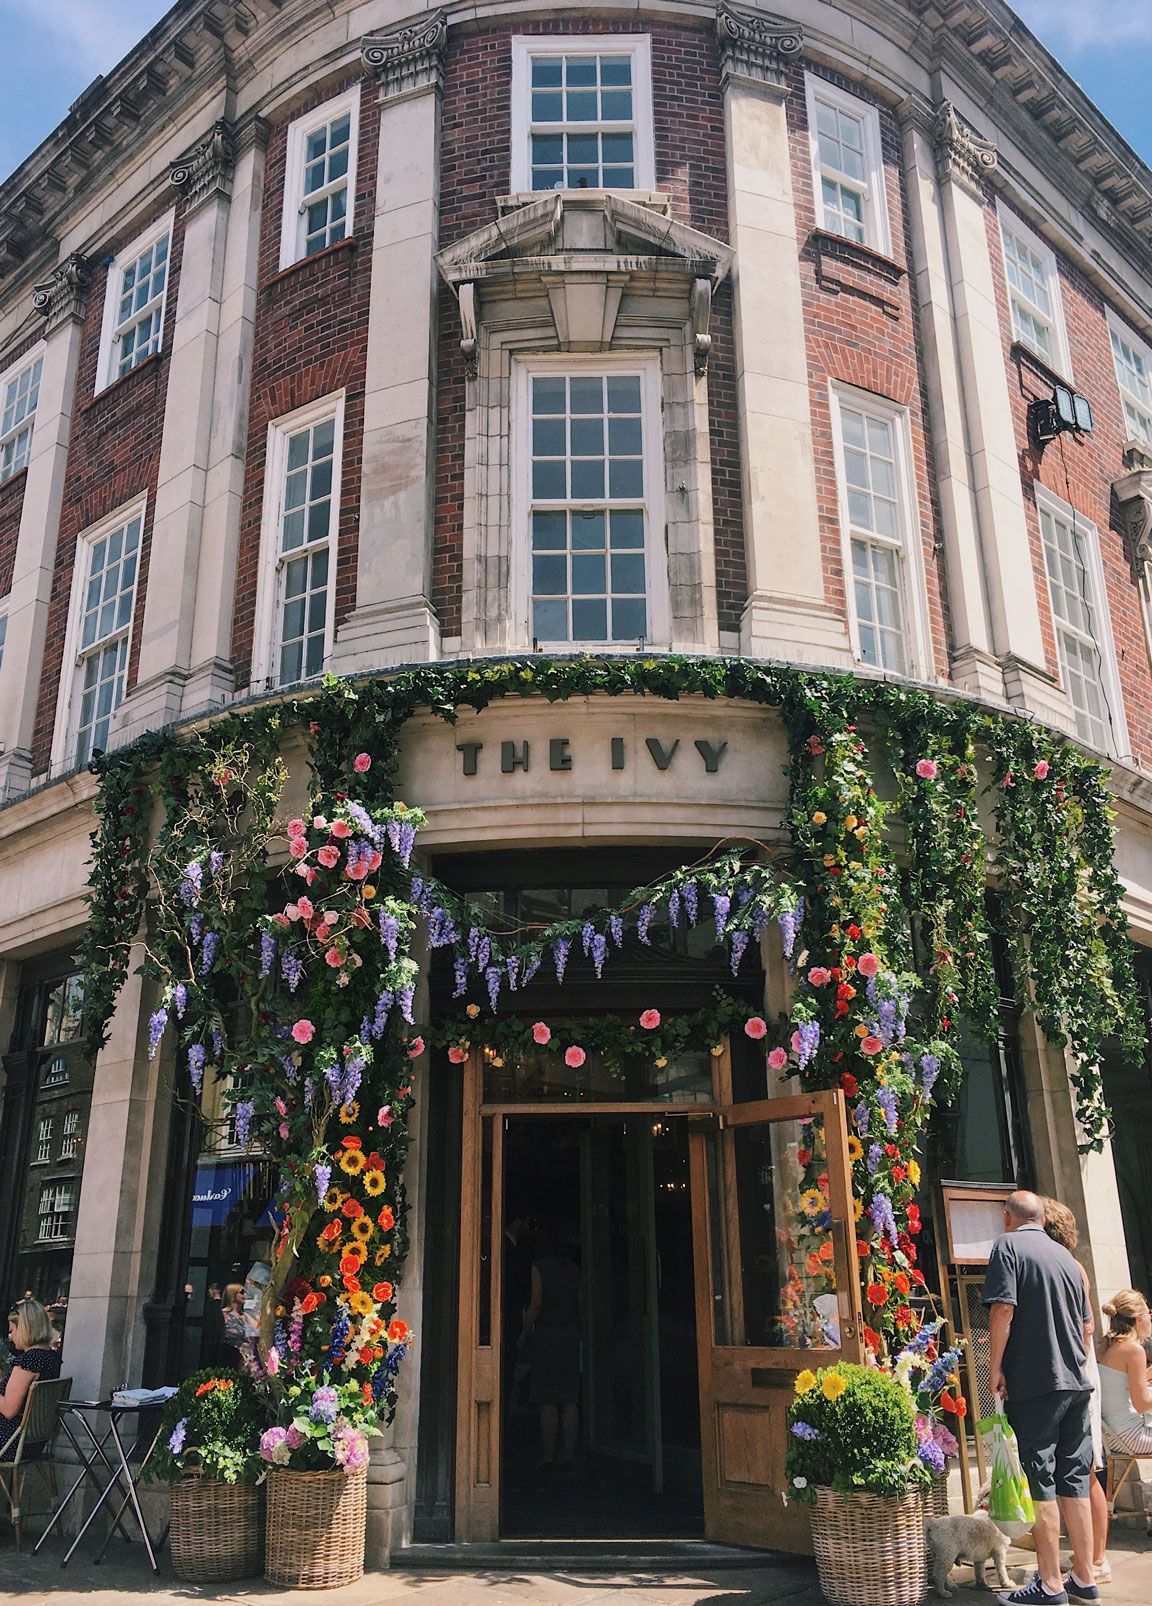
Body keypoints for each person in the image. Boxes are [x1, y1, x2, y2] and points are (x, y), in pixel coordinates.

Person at [984, 1189, 1096, 1605]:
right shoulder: (1067, 1258)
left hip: (1035, 1382)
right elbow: (1086, 1324)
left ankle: (1050, 1584)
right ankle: (1083, 1576)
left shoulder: (1007, 1246)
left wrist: (994, 1368)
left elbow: (1002, 1310)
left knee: (1040, 1480)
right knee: (1075, 1479)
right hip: (1076, 1382)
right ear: (1043, 1219)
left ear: (1006, 1217)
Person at [1042, 1200, 1111, 1585]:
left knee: (1087, 1467)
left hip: (1078, 1371)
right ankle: (1089, 1557)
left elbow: (1086, 1325)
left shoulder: (1071, 1266)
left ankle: (1097, 1558)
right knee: (1082, 1467)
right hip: (1078, 1369)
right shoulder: (1069, 1264)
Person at [519, 1223, 581, 1472]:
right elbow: (581, 1301)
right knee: (569, 1398)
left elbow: (535, 1303)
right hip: (569, 1333)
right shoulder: (575, 1269)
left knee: (547, 1399)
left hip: (547, 1333)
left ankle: (547, 1457)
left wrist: (524, 1334)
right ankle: (568, 1456)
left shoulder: (539, 1267)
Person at [0, 1299, 62, 1456]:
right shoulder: (50, 1358)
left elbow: (8, 1410)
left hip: (9, 1441)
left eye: (12, 1330)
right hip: (33, 1441)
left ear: (24, 1329)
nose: (10, 1336)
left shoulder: (28, 1361)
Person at [1096, 1288, 1152, 1455]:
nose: (1150, 1318)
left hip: (1114, 1435)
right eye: (1148, 1313)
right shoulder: (1133, 1349)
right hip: (1131, 1435)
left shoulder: (1110, 1346)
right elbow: (1141, 1404)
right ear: (1138, 1318)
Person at [221, 1283, 247, 1351]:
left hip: (248, 1357)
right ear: (232, 1295)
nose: (245, 1295)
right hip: (229, 1354)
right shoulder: (222, 1315)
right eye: (242, 1292)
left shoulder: (246, 1316)